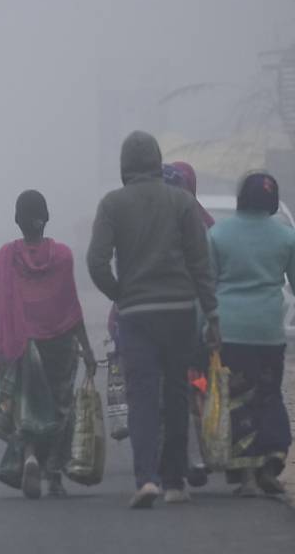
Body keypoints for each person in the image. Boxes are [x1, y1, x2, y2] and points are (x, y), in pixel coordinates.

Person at [87, 131, 220, 509]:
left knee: (142, 396)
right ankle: (176, 483)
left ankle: (147, 479)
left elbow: (96, 261)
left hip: (137, 314)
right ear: (156, 162)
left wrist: (119, 292)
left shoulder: (112, 204)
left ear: (124, 166)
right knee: (177, 393)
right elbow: (200, 263)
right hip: (179, 312)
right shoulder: (181, 202)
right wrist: (211, 313)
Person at [0, 190, 97, 499]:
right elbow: (71, 306)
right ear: (46, 218)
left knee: (27, 406)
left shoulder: (7, 256)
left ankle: (28, 455)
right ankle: (54, 474)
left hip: (22, 345)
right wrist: (88, 349)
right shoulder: (63, 256)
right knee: (60, 408)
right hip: (61, 346)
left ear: (17, 221)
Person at [207, 172, 293, 497]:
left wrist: (206, 327)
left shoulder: (218, 233)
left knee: (237, 400)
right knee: (269, 393)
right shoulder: (286, 236)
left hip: (230, 330)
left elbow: (207, 285)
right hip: (269, 330)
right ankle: (272, 456)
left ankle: (244, 477)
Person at [163, 161, 215, 488]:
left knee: (169, 393)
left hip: (164, 320)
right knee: (196, 390)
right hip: (195, 322)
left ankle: (175, 459)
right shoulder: (205, 224)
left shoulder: (154, 222)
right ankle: (201, 454)